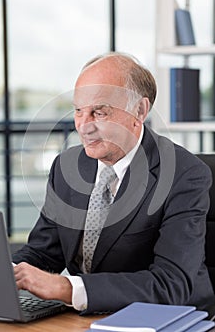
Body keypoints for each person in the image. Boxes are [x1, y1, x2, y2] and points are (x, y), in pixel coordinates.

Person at [13, 52, 214, 315]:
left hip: (168, 319)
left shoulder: (184, 174)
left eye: (99, 112)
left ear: (139, 111)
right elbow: (43, 253)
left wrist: (66, 288)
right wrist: (2, 273)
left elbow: (170, 284)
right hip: (86, 317)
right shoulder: (66, 167)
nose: (84, 127)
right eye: (78, 111)